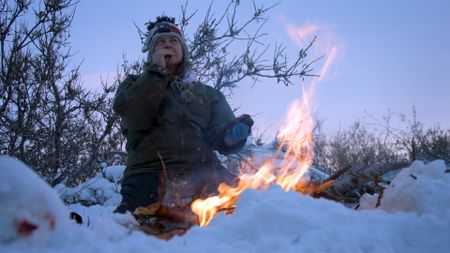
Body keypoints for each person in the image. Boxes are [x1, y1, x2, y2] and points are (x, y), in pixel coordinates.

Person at [113, 16, 253, 214]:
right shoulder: (132, 85)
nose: (167, 45)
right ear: (152, 53)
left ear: (183, 50)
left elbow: (219, 138)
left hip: (204, 172)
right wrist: (156, 73)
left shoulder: (207, 94)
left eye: (173, 41)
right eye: (160, 42)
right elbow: (136, 116)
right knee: (136, 228)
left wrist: (231, 136)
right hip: (149, 174)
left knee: (253, 204)